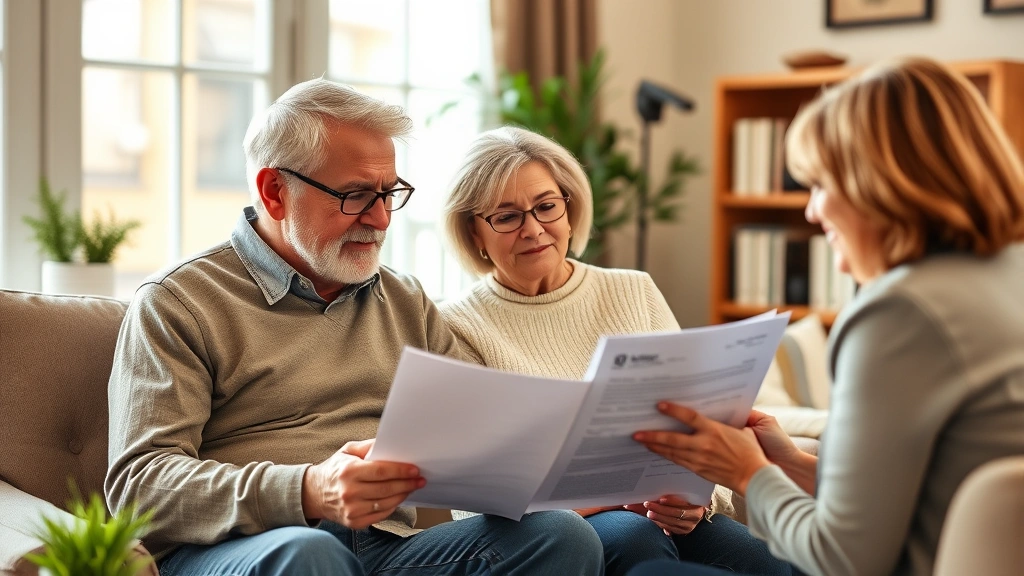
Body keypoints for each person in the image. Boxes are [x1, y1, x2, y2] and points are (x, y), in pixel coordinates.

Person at [104, 79, 606, 576]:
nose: (383, 218)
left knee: (559, 535)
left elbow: (484, 433)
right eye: (358, 196)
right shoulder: (180, 302)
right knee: (309, 554)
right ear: (275, 192)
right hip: (241, 550)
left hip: (387, 548)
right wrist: (308, 489)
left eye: (390, 193)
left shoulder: (405, 300)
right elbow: (138, 483)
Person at [629, 57, 1024, 576]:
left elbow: (842, 558)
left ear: (880, 184)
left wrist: (746, 474)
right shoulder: (1008, 273)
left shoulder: (899, 314)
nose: (812, 211)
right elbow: (900, 497)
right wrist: (784, 463)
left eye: (820, 184)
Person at [438, 126, 792, 576]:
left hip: (659, 512)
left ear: (569, 210)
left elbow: (697, 423)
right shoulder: (455, 324)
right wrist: (604, 502)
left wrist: (695, 502)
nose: (533, 229)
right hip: (566, 530)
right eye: (506, 217)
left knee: (766, 560)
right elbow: (470, 500)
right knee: (634, 536)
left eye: (546, 207)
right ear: (474, 232)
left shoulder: (634, 290)